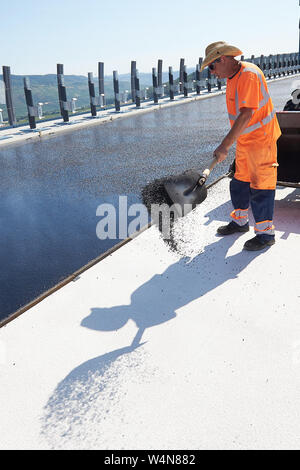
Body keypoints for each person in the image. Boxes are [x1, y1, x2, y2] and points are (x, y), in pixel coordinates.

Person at [200, 41, 281, 251]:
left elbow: (246, 114)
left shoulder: (248, 74)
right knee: (239, 183)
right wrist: (233, 142)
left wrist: (224, 145)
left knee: (261, 187)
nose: (212, 72)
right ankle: (240, 222)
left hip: (262, 140)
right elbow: (239, 117)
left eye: (212, 66)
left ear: (223, 58)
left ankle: (265, 234)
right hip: (246, 141)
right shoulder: (232, 77)